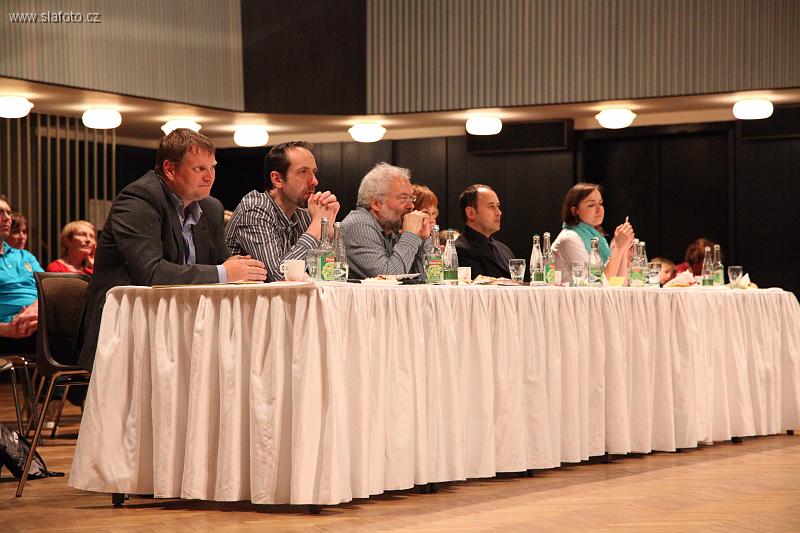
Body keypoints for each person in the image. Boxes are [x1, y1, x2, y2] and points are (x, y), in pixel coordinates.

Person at [77, 129, 266, 372]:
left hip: (184, 324)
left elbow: (223, 262)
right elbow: (151, 273)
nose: (209, 176)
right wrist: (226, 273)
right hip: (127, 326)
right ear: (169, 169)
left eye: (212, 167)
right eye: (199, 169)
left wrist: (245, 271)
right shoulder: (139, 200)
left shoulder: (211, 208)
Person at [225, 141, 339, 282]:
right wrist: (317, 226)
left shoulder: (303, 214)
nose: (314, 181)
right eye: (303, 172)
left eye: (314, 172)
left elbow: (330, 275)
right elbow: (279, 277)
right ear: (277, 179)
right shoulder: (254, 210)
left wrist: (328, 229)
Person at [341, 162, 432, 279]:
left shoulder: (389, 228)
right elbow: (389, 278)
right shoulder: (359, 225)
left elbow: (424, 278)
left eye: (411, 198)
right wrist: (410, 235)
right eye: (403, 198)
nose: (411, 206)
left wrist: (423, 240)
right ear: (376, 204)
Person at [551, 182, 635, 284]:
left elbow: (618, 283)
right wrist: (618, 248)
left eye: (600, 203)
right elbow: (595, 283)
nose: (599, 209)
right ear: (575, 211)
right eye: (591, 205)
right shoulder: (569, 239)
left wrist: (623, 248)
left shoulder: (597, 238)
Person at [0, 195, 43, 355]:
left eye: (8, 213)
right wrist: (7, 330)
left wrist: (35, 309)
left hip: (38, 322)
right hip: (8, 331)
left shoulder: (25, 256)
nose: (7, 218)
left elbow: (47, 288)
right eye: (0, 212)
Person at [454, 184, 514, 279]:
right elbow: (480, 287)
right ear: (470, 213)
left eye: (498, 206)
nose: (499, 212)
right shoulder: (460, 250)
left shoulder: (504, 249)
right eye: (491, 206)